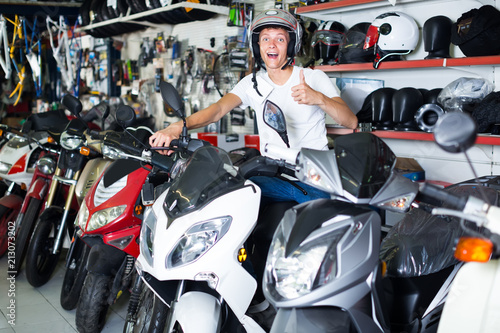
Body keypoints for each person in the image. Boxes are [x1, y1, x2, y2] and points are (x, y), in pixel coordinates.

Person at [149, 8, 358, 204]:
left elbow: (350, 121)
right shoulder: (252, 83)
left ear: (291, 44)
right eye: (265, 39)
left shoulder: (313, 77)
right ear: (258, 46)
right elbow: (217, 110)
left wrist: (318, 98)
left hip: (314, 178)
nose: (272, 45)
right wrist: (177, 126)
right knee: (222, 199)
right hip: (273, 176)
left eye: (280, 39)